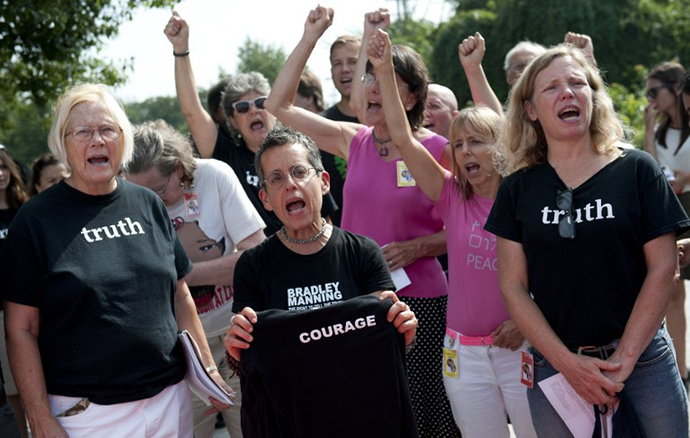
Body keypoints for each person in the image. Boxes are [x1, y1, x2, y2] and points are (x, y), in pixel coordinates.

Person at [265, 7, 459, 437]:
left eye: (381, 78)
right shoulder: (353, 140)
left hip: (421, 302)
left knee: (425, 411)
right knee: (366, 408)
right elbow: (277, 106)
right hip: (354, 297)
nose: (368, 86)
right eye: (366, 77)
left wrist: (418, 247)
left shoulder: (439, 149)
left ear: (409, 98)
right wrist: (310, 35)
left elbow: (471, 227)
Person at [0, 83, 230, 438]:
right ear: (63, 142)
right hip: (87, 416)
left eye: (108, 129)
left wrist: (208, 370)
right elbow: (20, 329)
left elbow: (180, 295)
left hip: (170, 402)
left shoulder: (147, 203)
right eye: (83, 131)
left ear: (123, 138)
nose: (97, 140)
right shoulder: (34, 222)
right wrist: (40, 417)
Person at [485, 45, 690, 436]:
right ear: (530, 110)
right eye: (552, 88)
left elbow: (664, 267)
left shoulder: (637, 169)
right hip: (555, 368)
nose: (568, 92)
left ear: (593, 97)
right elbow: (512, 285)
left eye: (578, 83)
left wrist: (624, 360)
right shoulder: (517, 188)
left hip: (644, 361)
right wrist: (568, 365)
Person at [368, 29, 536, 437]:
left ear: (501, 149)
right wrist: (385, 68)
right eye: (458, 144)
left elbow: (554, 269)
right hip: (463, 355)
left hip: (523, 346)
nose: (463, 152)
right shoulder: (450, 195)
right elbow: (403, 135)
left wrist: (526, 319)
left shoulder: (527, 197)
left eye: (476, 142)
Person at [224, 126, 418, 435]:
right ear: (266, 199)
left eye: (299, 172)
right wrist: (235, 349)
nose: (290, 185)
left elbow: (387, 341)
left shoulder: (363, 251)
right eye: (276, 179)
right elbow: (248, 362)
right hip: (293, 422)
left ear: (324, 182)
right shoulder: (253, 265)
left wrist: (402, 330)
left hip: (362, 417)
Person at [125, 120, 266, 438]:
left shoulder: (214, 175)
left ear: (178, 168)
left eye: (159, 191)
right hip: (177, 352)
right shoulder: (126, 197)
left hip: (238, 337)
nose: (152, 203)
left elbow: (257, 254)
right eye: (140, 194)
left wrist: (182, 274)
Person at [643, 61, 690, 386]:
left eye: (653, 90)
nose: (650, 98)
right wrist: (647, 129)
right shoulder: (661, 129)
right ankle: (683, 371)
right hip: (672, 207)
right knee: (674, 294)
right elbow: (652, 169)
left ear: (675, 88)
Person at [0, 146, 30, 438]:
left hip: (36, 307)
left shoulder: (27, 208)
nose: (0, 174)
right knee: (14, 388)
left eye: (3, 167)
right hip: (3, 314)